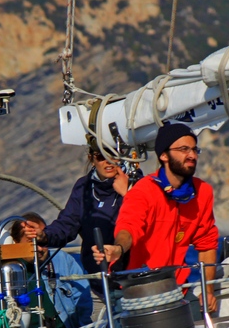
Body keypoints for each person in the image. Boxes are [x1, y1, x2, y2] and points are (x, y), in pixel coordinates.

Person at [93, 122, 219, 312]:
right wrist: (118, 249)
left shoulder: (203, 192)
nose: (192, 155)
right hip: (133, 290)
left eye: (194, 149)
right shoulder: (144, 191)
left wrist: (207, 290)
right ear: (164, 155)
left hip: (175, 288)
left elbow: (207, 244)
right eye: (184, 149)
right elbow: (129, 227)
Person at [21, 147, 130, 319]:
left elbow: (147, 223)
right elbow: (67, 225)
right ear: (91, 158)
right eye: (101, 155)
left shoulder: (137, 185)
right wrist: (43, 235)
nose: (108, 161)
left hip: (134, 285)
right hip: (98, 287)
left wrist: (128, 194)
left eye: (113, 155)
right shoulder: (83, 188)